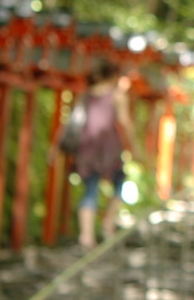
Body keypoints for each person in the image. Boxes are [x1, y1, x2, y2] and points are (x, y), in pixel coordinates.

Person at [52, 59, 139, 249]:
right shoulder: (116, 95)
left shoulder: (86, 95)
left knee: (90, 189)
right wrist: (135, 147)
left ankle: (86, 236)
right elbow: (124, 122)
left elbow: (70, 121)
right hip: (109, 147)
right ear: (114, 75)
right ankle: (108, 223)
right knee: (118, 184)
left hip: (88, 147)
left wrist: (55, 147)